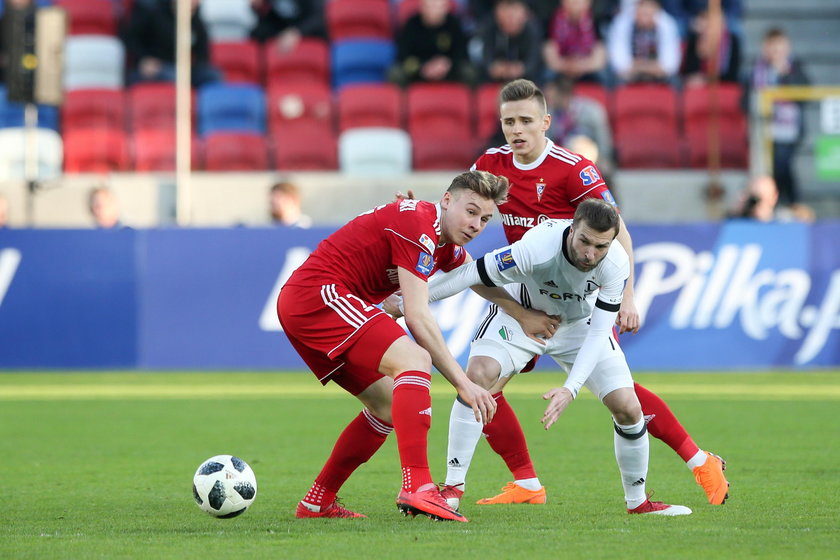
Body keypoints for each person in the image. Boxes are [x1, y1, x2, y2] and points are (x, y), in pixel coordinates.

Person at [438, 78, 729, 508]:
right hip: (525, 297)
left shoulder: (573, 169)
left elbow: (616, 227)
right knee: (479, 379)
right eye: (508, 122)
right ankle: (480, 487)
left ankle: (697, 461)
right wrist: (425, 216)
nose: (516, 130)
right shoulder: (491, 164)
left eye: (525, 121)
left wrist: (627, 295)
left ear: (546, 122)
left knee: (622, 398)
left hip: (578, 302)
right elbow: (463, 209)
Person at [406, 199, 693, 515]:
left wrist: (570, 389)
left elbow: (599, 334)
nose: (590, 254)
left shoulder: (615, 263)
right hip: (523, 315)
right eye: (584, 241)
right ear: (572, 229)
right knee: (480, 375)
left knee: (627, 406)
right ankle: (452, 490)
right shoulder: (538, 246)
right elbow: (472, 273)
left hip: (579, 326)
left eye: (600, 246)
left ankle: (638, 503)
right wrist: (414, 299)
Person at [278, 170, 510, 522]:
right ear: (446, 200)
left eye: (485, 218)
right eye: (471, 211)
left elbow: (474, 276)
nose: (477, 224)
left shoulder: (439, 238)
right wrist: (463, 383)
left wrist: (524, 315)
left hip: (312, 304)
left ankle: (317, 501)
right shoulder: (417, 225)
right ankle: (418, 486)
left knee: (386, 405)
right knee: (414, 359)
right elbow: (417, 316)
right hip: (318, 295)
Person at [745, 28, 809, 208]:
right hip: (763, 129)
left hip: (788, 129)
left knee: (782, 165)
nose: (775, 52)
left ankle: (790, 201)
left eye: (779, 47)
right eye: (771, 47)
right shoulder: (757, 69)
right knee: (768, 170)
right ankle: (776, 203)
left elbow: (804, 94)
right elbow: (744, 100)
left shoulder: (794, 68)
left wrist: (785, 75)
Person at [125, 0, 221, 87]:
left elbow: (203, 54)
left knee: (211, 75)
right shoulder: (153, 12)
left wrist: (194, 66)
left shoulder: (196, 22)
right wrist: (143, 59)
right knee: (173, 76)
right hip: (156, 66)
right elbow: (130, 38)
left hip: (183, 70)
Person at [543, 74, 615, 183]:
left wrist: (602, 158)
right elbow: (545, 142)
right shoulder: (549, 114)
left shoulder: (592, 110)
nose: (548, 100)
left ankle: (607, 199)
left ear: (563, 94)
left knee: (605, 170)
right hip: (561, 159)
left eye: (551, 96)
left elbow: (604, 141)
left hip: (591, 158)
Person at [389, 0, 476, 87]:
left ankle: (465, 99)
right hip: (418, 72)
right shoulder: (411, 24)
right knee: (396, 73)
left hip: (449, 70)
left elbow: (462, 54)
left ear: (446, 8)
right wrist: (423, 67)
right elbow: (403, 56)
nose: (435, 10)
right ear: (422, 7)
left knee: (469, 71)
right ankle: (402, 100)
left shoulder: (454, 24)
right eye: (430, 6)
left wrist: (447, 65)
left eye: (439, 7)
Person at [607, 0, 681, 85]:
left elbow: (671, 65)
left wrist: (641, 66)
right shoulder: (622, 23)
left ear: (656, 10)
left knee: (675, 81)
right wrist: (648, 67)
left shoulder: (667, 24)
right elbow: (619, 64)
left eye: (648, 10)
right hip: (631, 74)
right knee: (615, 80)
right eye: (641, 9)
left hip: (658, 75)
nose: (644, 13)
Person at [472, 0, 544, 85]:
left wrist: (522, 69)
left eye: (515, 10)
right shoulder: (489, 27)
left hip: (527, 80)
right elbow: (485, 55)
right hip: (492, 80)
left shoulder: (533, 29)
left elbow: (534, 59)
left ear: (526, 14)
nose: (510, 16)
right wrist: (492, 67)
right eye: (505, 9)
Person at [543, 0, 608, 84]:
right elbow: (550, 54)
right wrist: (567, 65)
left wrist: (582, 66)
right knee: (547, 74)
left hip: (587, 65)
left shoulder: (595, 20)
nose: (575, 4)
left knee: (604, 75)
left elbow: (599, 56)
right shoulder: (553, 20)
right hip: (562, 65)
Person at [681, 8, 741, 87]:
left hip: (723, 87)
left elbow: (731, 74)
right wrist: (700, 54)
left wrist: (706, 80)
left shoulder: (731, 41)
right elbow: (689, 72)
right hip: (697, 89)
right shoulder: (695, 39)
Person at [249, 0, 326, 53]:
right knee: (258, 33)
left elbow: (318, 17)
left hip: (309, 31)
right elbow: (270, 16)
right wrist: (257, 8)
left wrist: (297, 32)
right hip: (283, 27)